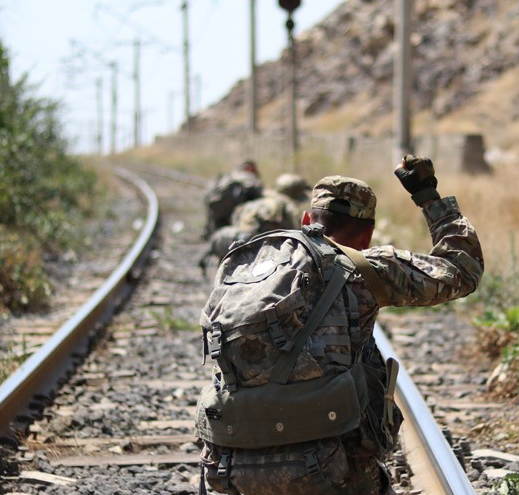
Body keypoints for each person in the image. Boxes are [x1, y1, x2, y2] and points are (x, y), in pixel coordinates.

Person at [195, 155, 483, 495]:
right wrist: (428, 196)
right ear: (368, 234)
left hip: (233, 461)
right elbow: (461, 270)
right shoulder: (365, 266)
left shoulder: (254, 263)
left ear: (306, 219)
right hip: (331, 468)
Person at [198, 173, 311, 274]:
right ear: (295, 192)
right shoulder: (287, 204)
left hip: (233, 240)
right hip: (255, 246)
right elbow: (299, 233)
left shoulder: (260, 196)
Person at [201, 160, 264, 240]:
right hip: (232, 206)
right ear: (251, 169)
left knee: (217, 229)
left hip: (215, 203)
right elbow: (258, 196)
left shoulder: (228, 175)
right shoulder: (249, 178)